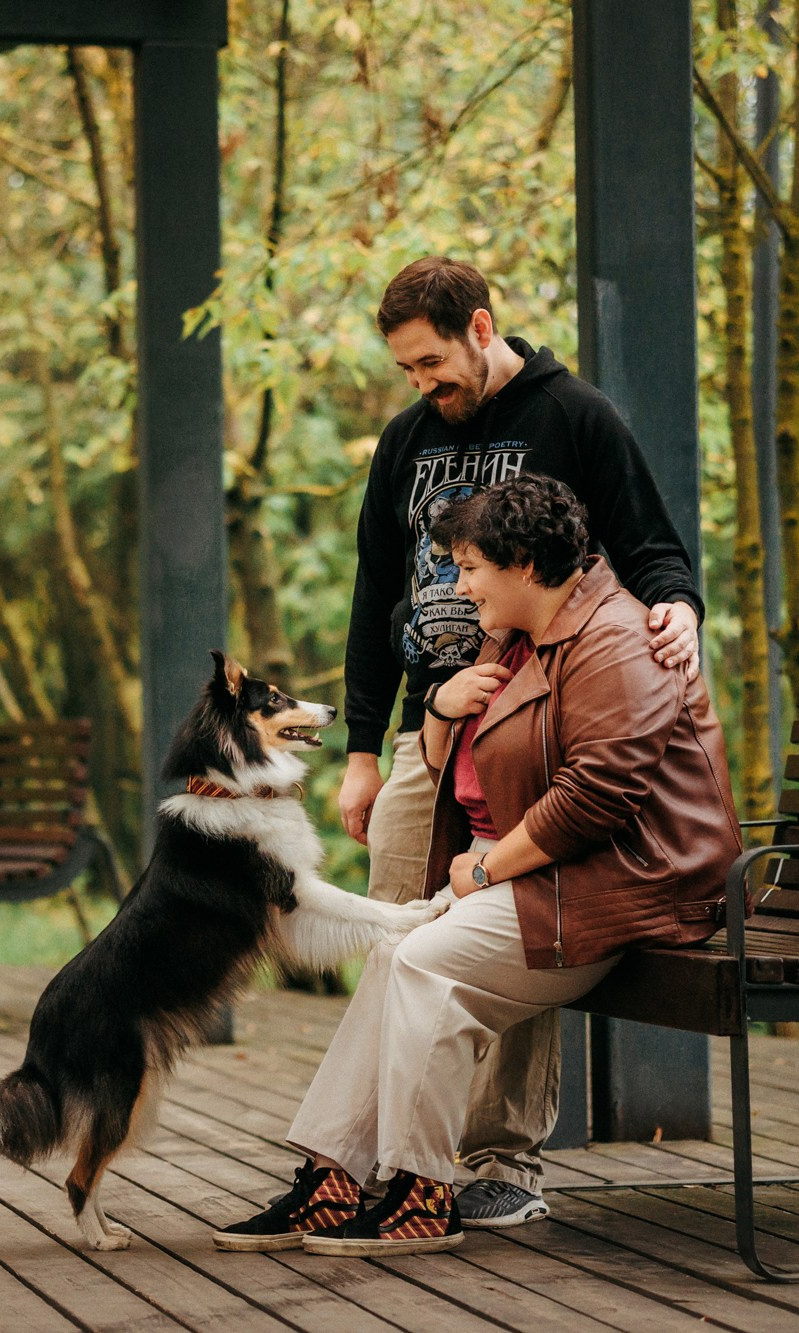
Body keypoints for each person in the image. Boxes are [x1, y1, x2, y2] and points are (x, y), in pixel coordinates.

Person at [214, 475, 740, 1256]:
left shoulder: (620, 641)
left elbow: (596, 800)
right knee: (397, 949)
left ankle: (420, 1190)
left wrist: (487, 869)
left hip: (631, 888)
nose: (458, 585)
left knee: (421, 959)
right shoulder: (512, 636)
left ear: (524, 562)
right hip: (555, 878)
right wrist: (437, 707)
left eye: (470, 566)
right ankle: (331, 1177)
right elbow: (454, 762)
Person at [338, 256, 705, 1227]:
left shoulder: (573, 415)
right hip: (431, 723)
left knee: (511, 922)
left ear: (480, 326)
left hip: (533, 724)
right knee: (396, 936)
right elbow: (372, 590)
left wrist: (678, 609)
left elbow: (651, 543)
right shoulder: (405, 440)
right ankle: (386, 1156)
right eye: (407, 371)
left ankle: (501, 1161)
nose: (423, 384)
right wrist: (361, 748)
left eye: (431, 363)